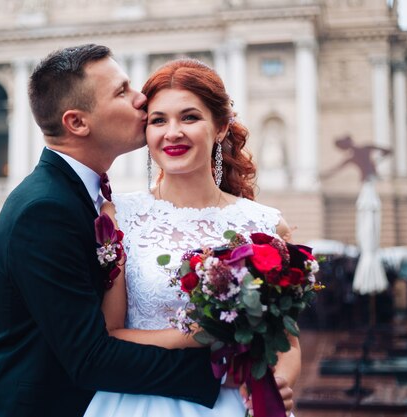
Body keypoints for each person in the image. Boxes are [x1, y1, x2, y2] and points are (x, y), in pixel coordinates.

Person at [0, 44, 221, 417]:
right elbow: (89, 357)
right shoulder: (44, 210)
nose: (141, 99)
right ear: (77, 123)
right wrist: (221, 374)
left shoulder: (81, 194)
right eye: (122, 91)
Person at [83, 58, 301, 417]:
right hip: (138, 401)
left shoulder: (265, 226)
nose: (173, 132)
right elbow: (110, 332)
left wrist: (280, 382)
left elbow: (288, 342)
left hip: (233, 403)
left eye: (189, 117)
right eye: (158, 120)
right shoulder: (118, 216)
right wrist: (203, 334)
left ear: (219, 127)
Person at [320, 135, 392, 183]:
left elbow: (337, 168)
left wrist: (376, 160)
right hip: (369, 179)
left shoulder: (354, 156)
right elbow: (387, 151)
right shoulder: (365, 148)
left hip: (368, 179)